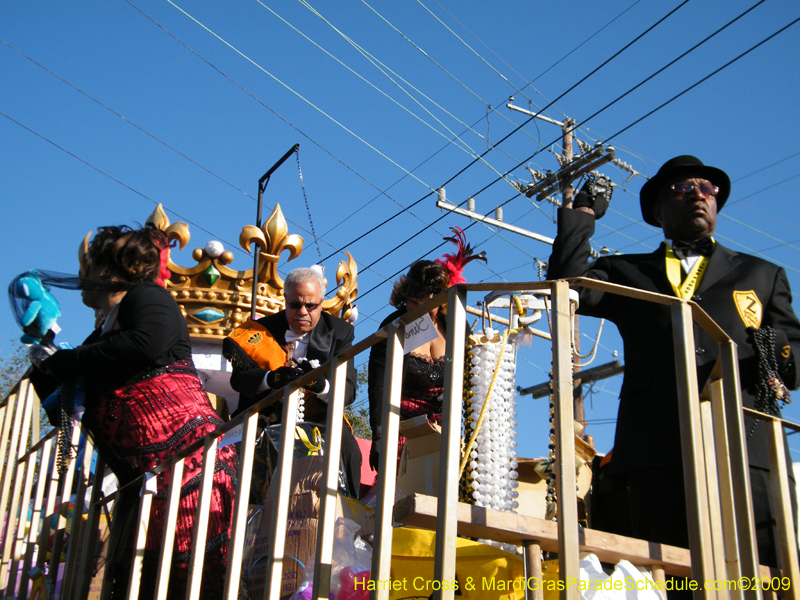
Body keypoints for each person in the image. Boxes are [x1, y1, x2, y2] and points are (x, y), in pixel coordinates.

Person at [547, 155, 800, 570]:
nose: (698, 196)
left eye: (707, 189)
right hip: (656, 454)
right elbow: (567, 283)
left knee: (767, 574)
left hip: (747, 446)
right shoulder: (628, 271)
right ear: (657, 211)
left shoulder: (762, 274)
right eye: (683, 189)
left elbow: (797, 359)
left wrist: (771, 349)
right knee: (669, 575)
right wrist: (583, 215)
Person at [34, 225, 237, 600]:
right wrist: (43, 357)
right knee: (133, 580)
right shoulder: (98, 341)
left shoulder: (147, 297)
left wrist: (66, 361)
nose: (81, 278)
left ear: (110, 270)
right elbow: (61, 405)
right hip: (142, 483)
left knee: (190, 580)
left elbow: (148, 342)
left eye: (89, 267)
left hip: (188, 468)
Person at [223, 267, 361, 498]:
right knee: (237, 449)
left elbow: (348, 392)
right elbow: (239, 380)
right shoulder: (258, 332)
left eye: (311, 306)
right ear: (285, 301)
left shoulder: (340, 333)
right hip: (265, 418)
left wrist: (321, 386)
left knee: (348, 449)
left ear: (322, 302)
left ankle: (347, 515)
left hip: (319, 421)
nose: (302, 312)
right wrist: (272, 378)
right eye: (295, 305)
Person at [368, 228, 485, 473]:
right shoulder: (392, 328)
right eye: (413, 302)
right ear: (404, 297)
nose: (418, 310)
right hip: (400, 430)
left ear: (440, 299)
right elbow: (378, 386)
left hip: (443, 431)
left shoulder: (454, 326)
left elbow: (470, 371)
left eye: (426, 305)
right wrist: (379, 437)